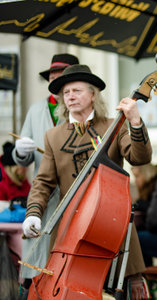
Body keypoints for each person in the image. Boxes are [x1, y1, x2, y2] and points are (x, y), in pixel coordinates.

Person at [21, 64, 152, 299]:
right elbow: (43, 181)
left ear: (93, 94)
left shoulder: (114, 125)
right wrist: (33, 212)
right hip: (70, 231)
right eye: (67, 92)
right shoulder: (54, 135)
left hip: (111, 226)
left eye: (77, 90)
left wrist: (134, 122)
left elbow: (140, 158)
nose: (70, 96)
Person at [11, 53, 79, 296]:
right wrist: (20, 152)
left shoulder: (79, 108)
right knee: (38, 266)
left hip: (74, 197)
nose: (54, 76)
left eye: (60, 72)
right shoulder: (36, 109)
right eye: (52, 73)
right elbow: (22, 159)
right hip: (43, 198)